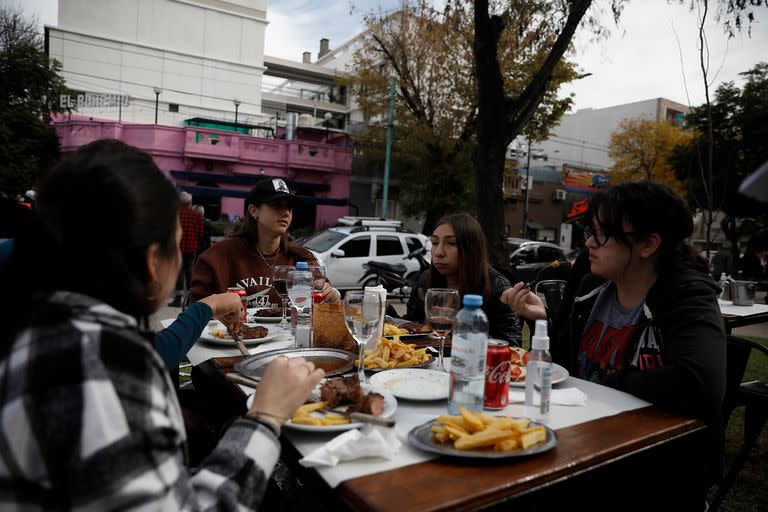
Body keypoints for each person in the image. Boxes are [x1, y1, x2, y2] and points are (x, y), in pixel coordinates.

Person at [0, 140, 324, 509]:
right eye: (178, 243)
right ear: (154, 262)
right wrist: (266, 416)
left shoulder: (38, 326)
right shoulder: (106, 363)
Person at [502, 181, 725, 504]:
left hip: (657, 474)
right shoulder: (592, 288)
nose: (590, 243)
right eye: (591, 231)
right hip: (586, 448)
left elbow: (701, 382)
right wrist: (540, 322)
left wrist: (612, 382)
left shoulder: (686, 295)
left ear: (648, 244)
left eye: (602, 234)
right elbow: (569, 369)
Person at [189, 178, 340, 306]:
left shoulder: (302, 259)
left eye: (289, 207)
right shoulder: (218, 256)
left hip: (288, 340)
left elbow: (327, 300)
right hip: (231, 338)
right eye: (277, 205)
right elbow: (195, 310)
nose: (285, 212)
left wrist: (332, 297)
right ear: (254, 211)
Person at [405, 213, 522, 345]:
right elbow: (408, 329)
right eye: (435, 243)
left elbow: (512, 345)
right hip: (424, 364)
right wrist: (385, 309)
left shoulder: (497, 287)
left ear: (471, 249)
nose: (439, 252)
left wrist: (461, 335)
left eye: (451, 243)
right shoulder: (426, 280)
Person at [169, 191, 203, 307]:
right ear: (189, 202)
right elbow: (200, 233)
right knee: (190, 272)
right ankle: (191, 298)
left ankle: (177, 299)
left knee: (179, 273)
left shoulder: (175, 214)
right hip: (191, 248)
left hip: (177, 248)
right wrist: (196, 244)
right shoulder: (196, 215)